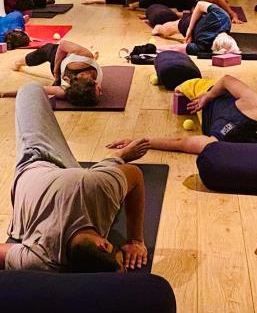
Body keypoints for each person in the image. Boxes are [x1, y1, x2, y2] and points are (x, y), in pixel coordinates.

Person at [0, 83, 150, 272]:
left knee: (29, 89)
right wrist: (135, 240)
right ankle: (115, 158)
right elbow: (134, 175)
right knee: (97, 179)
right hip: (75, 177)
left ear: (104, 244)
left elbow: (135, 175)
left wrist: (134, 241)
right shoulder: (38, 259)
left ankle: (115, 159)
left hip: (36, 159)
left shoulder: (42, 258)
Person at [107, 74, 257, 156]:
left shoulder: (215, 144)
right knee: (181, 82)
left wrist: (136, 142)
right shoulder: (255, 107)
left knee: (179, 88)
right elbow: (226, 80)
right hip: (207, 90)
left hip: (199, 103)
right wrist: (208, 96)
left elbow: (180, 143)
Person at [5, 39, 103, 107]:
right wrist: (56, 70)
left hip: (61, 74)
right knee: (48, 50)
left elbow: (34, 90)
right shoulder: (84, 57)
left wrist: (4, 94)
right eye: (98, 90)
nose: (102, 92)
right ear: (91, 81)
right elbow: (62, 44)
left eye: (99, 91)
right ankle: (19, 62)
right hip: (61, 61)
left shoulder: (64, 90)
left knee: (47, 49)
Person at [151, 0, 242, 55]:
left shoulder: (204, 46)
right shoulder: (222, 16)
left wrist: (155, 49)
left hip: (197, 30)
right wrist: (189, 29)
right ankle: (158, 28)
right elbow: (200, 4)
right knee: (164, 30)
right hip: (189, 22)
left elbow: (177, 48)